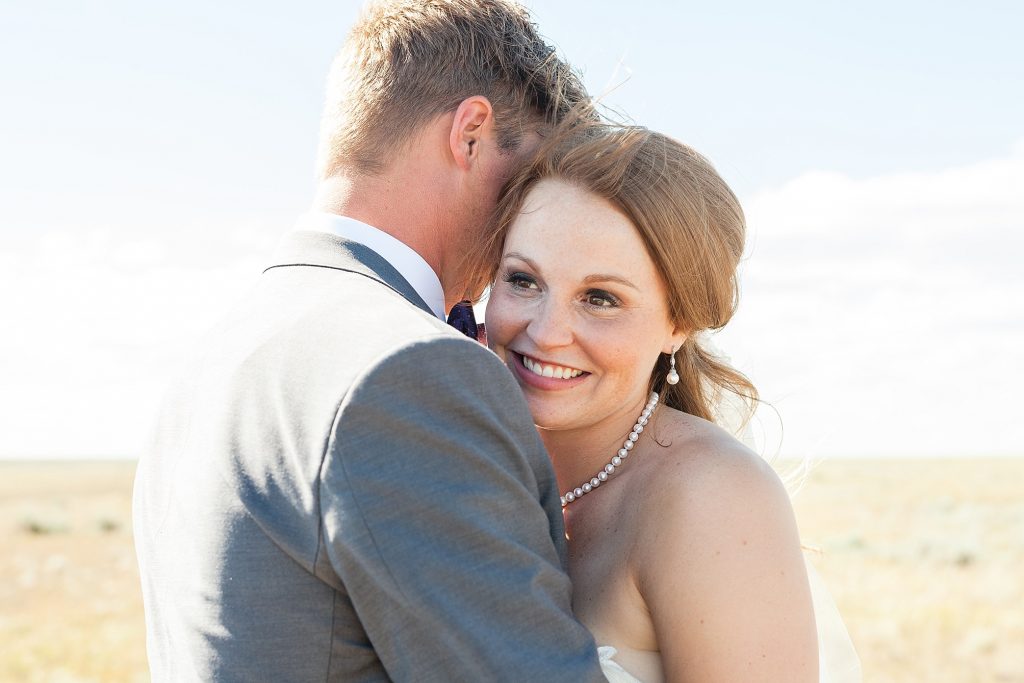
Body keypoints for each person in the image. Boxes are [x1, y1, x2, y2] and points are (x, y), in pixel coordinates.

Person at [132, 1, 608, 680]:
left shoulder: (216, 355)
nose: (529, 219)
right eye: (529, 179)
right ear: (471, 133)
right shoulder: (411, 370)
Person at [476, 122, 861, 682]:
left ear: (678, 323)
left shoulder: (712, 497)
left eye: (600, 298)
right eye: (524, 281)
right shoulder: (468, 462)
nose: (547, 330)